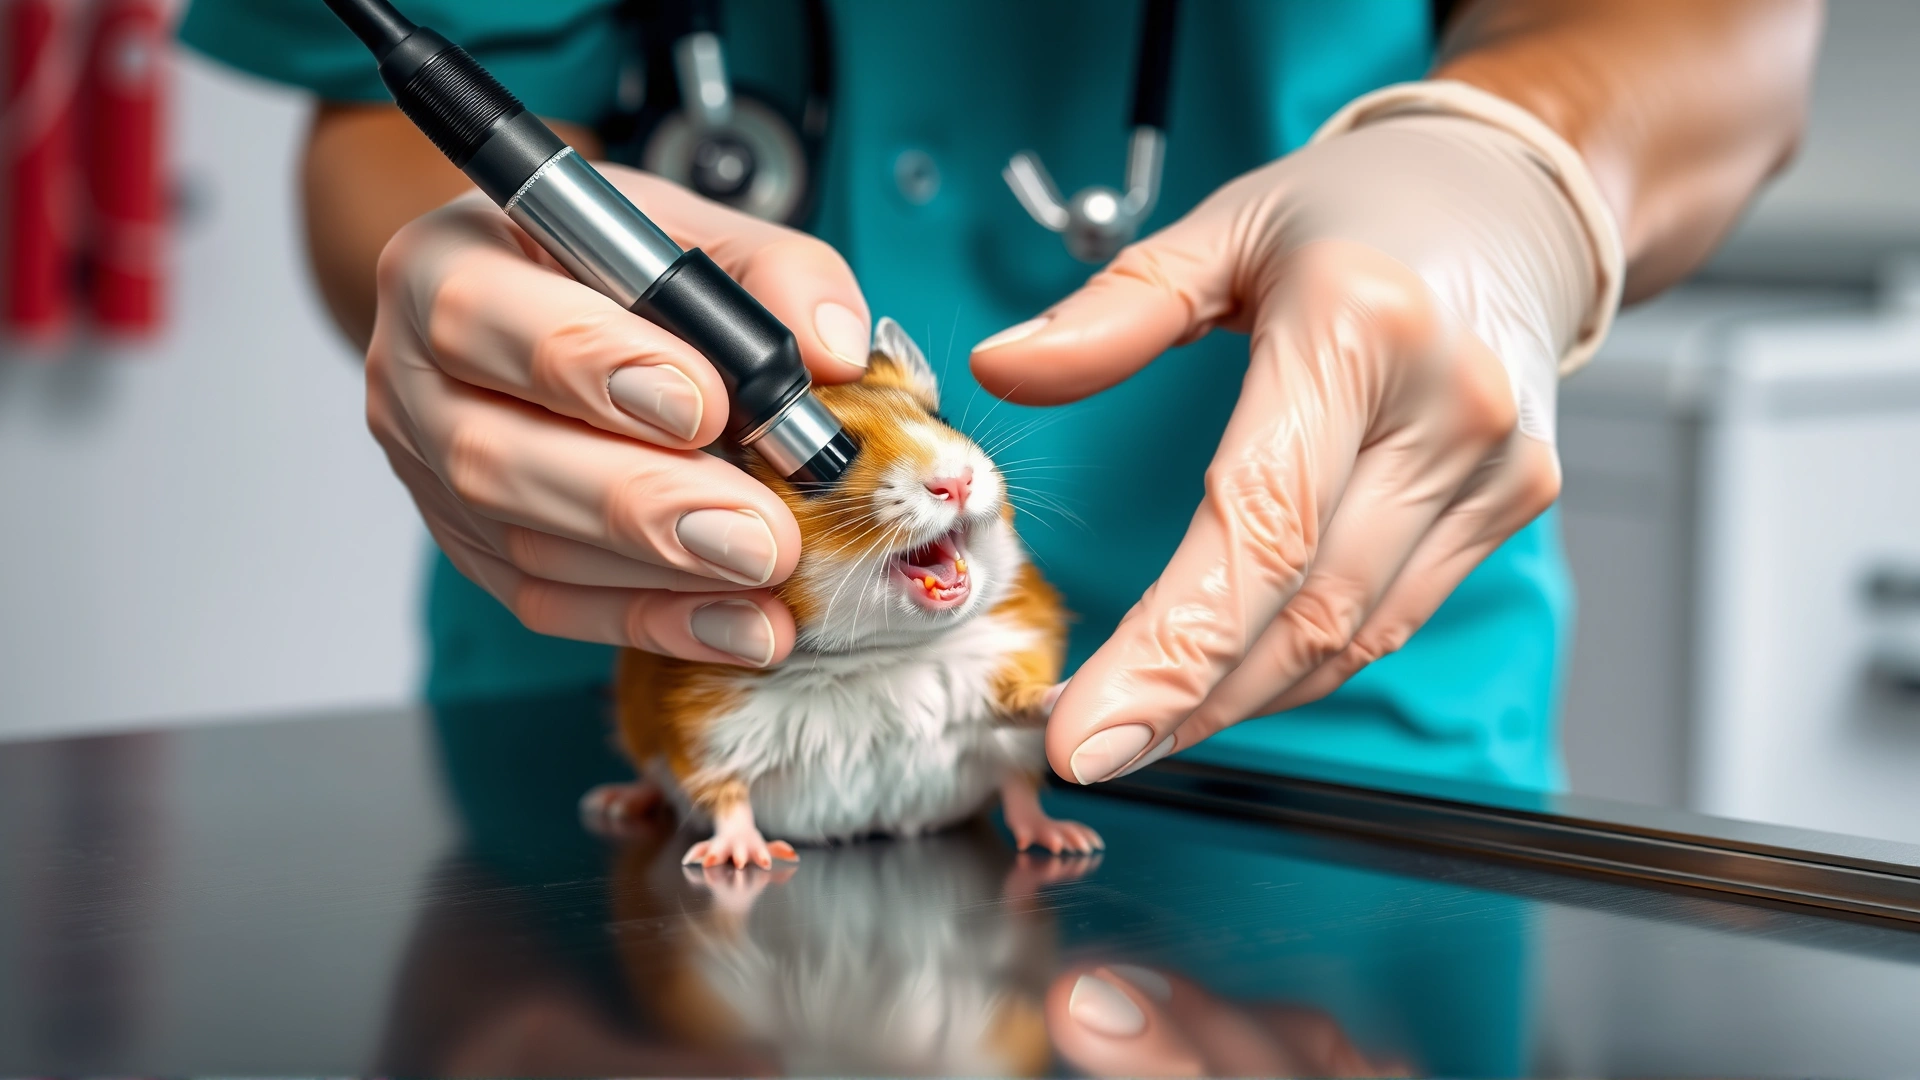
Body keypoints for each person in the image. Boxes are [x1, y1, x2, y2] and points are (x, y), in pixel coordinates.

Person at [177, 0, 1819, 791]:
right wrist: (495, 316)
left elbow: (1716, 41)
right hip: (642, 703)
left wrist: (1511, 176)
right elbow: (392, 122)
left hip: (1341, 738)